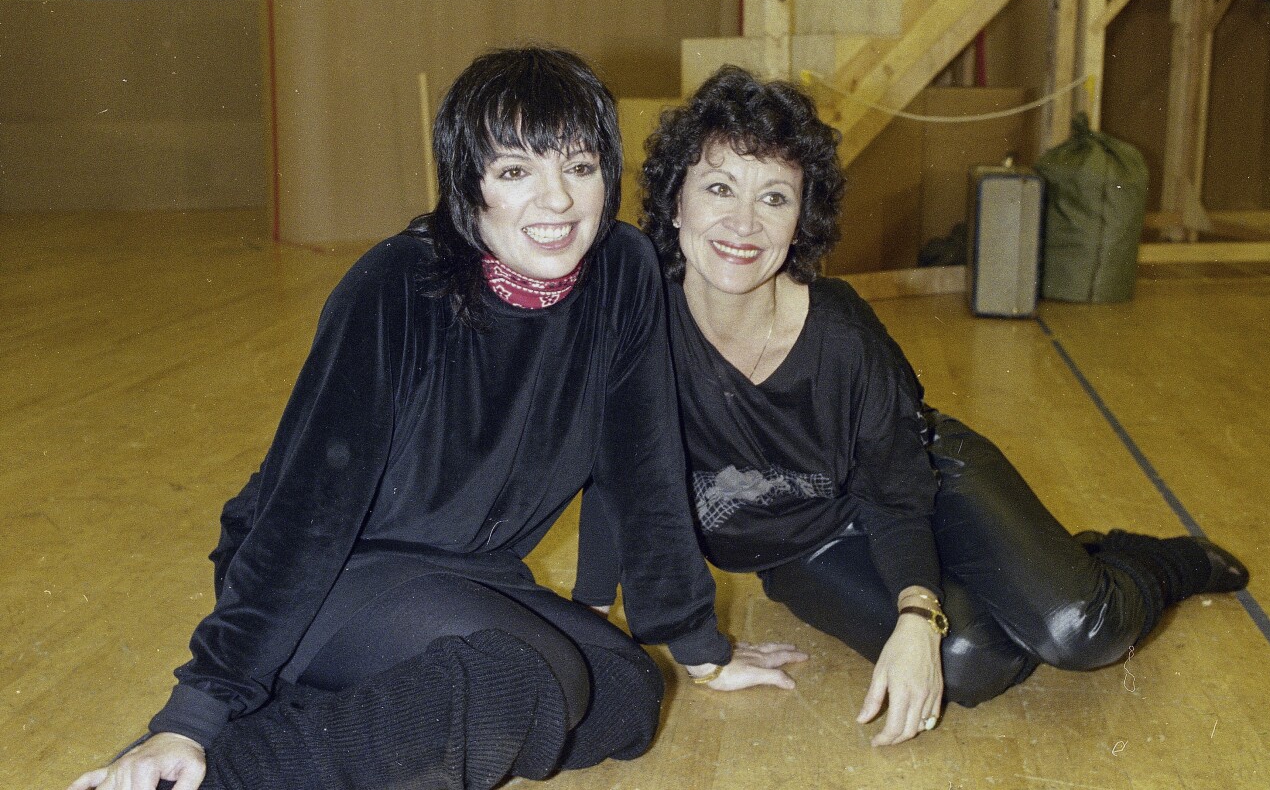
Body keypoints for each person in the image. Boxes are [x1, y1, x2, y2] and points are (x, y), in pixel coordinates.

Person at [68, 48, 806, 790]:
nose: (558, 202)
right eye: (515, 171)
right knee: (531, 682)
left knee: (626, 693)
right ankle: (211, 772)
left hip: (467, 576)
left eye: (580, 168)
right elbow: (305, 515)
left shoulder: (622, 267)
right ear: (467, 183)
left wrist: (695, 642)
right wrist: (195, 710)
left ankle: (323, 708)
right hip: (343, 570)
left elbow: (641, 468)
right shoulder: (396, 285)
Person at [574, 65, 1249, 748]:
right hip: (802, 544)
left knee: (1080, 629)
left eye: (774, 197)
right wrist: (593, 624)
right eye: (719, 187)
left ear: (800, 218)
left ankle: (1155, 563)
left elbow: (893, 490)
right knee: (968, 663)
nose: (743, 222)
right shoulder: (636, 325)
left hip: (916, 472)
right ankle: (1045, 572)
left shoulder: (839, 334)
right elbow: (613, 481)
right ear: (676, 202)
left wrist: (917, 613)